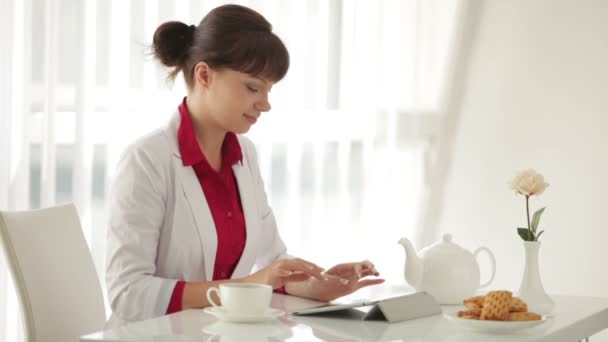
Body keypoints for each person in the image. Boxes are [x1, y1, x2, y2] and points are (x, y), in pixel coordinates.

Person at [105, 4, 384, 326]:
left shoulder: (244, 156)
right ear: (205, 74)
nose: (265, 104)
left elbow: (272, 261)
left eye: (269, 89)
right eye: (253, 87)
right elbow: (127, 293)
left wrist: (318, 284)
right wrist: (250, 285)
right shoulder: (146, 159)